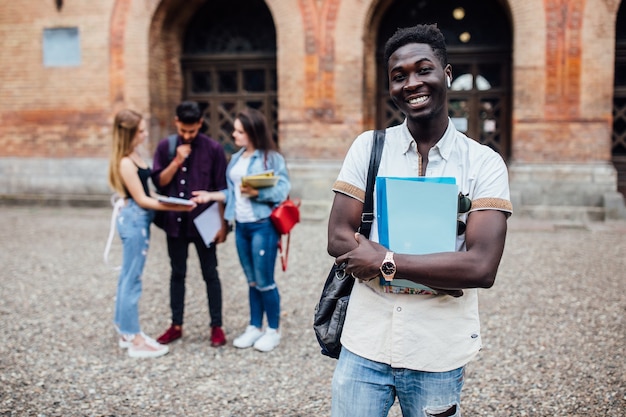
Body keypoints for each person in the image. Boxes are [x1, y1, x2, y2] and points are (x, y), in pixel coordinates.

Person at [327, 24, 513, 416]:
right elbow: (339, 238)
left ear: (446, 74)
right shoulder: (369, 147)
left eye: (423, 70)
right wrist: (443, 270)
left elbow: (480, 267)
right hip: (364, 342)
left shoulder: (483, 163)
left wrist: (383, 261)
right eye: (399, 76)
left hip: (437, 350)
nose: (411, 83)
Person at [191, 108, 290, 352]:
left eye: (239, 131)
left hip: (263, 226)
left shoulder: (271, 158)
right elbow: (231, 192)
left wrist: (258, 192)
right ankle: (254, 326)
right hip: (241, 226)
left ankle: (273, 330)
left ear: (253, 132)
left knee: (265, 280)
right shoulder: (236, 159)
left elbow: (282, 191)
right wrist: (210, 196)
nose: (234, 135)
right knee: (252, 281)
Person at [107, 109, 196, 358]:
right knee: (131, 278)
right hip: (135, 219)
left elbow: (148, 193)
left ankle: (125, 330)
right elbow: (143, 200)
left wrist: (170, 201)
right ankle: (133, 336)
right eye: (141, 131)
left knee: (128, 275)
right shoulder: (125, 162)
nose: (146, 134)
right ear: (129, 134)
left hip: (139, 217)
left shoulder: (133, 155)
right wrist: (175, 205)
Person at [151, 101, 229, 347]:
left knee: (210, 274)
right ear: (176, 122)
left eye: (192, 131)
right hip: (174, 224)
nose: (187, 136)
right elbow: (159, 183)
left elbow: (222, 189)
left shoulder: (213, 149)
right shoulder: (165, 147)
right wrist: (176, 160)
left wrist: (223, 226)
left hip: (205, 223)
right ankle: (176, 325)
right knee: (177, 274)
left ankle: (216, 326)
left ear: (200, 125)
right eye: (183, 131)